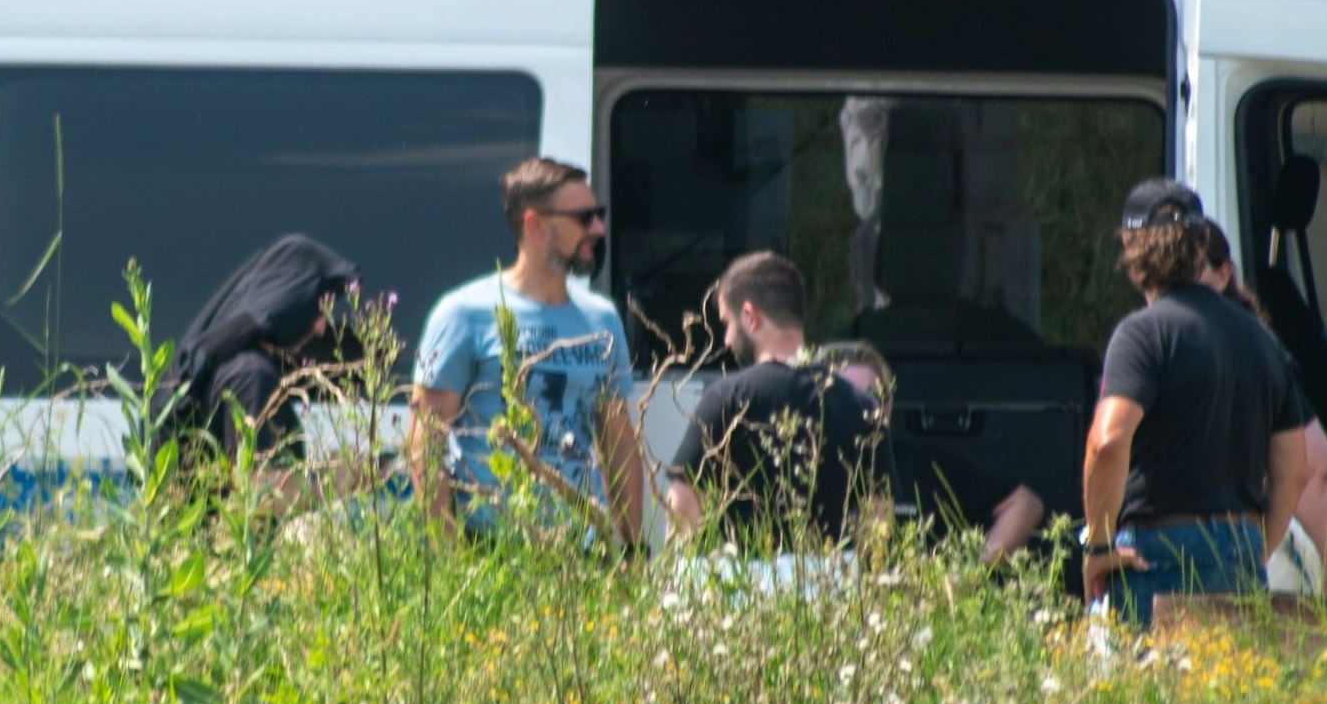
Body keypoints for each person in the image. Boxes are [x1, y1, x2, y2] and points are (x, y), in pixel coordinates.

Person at [1082, 179, 1310, 626]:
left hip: (1157, 551)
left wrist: (1099, 547)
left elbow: (1108, 442)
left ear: (1130, 248)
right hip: (1241, 544)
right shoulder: (1262, 340)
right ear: (1202, 241)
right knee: (1227, 694)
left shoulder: (1143, 334)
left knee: (1154, 692)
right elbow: (1294, 469)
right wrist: (1253, 549)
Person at [409, 157, 646, 548]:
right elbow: (426, 441)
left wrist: (633, 548)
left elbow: (618, 440)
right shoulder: (464, 313)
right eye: (584, 217)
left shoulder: (601, 318)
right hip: (490, 542)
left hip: (583, 548)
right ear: (534, 223)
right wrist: (448, 550)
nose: (599, 229)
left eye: (598, 215)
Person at [664, 253, 876, 547]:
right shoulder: (861, 405)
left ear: (750, 316)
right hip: (837, 583)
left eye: (727, 323)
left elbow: (685, 504)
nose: (726, 340)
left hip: (744, 584)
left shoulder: (726, 400)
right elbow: (878, 512)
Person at [1194, 221, 1327, 601]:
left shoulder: (1241, 349)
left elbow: (1316, 463)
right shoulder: (1246, 341)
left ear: (1223, 273)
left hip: (1272, 546)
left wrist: (1288, 556)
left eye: (1194, 273)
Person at [161, 233, 360, 510]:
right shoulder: (251, 375)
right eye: (316, 310)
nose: (321, 328)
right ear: (286, 300)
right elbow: (257, 494)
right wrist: (333, 481)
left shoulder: (234, 364)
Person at [819, 338, 1045, 564]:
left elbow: (1024, 504)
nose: (861, 407)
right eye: (845, 396)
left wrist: (968, 576)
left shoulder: (922, 466)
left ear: (888, 405)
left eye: (871, 396)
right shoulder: (794, 468)